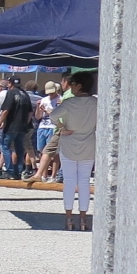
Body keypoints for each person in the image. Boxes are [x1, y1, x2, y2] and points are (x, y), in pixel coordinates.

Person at [52, 73, 98, 229]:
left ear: (78, 85)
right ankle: (84, 218)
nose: (70, 87)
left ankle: (69, 218)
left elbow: (53, 116)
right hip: (89, 142)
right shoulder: (96, 103)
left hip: (69, 142)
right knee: (84, 182)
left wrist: (62, 128)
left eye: (72, 84)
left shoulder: (69, 103)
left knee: (69, 182)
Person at [0, 75, 36, 178]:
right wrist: (25, 123)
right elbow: (30, 112)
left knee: (5, 147)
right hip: (22, 127)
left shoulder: (11, 93)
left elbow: (6, 110)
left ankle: (10, 171)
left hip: (11, 126)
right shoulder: (25, 94)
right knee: (20, 149)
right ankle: (18, 171)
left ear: (10, 84)